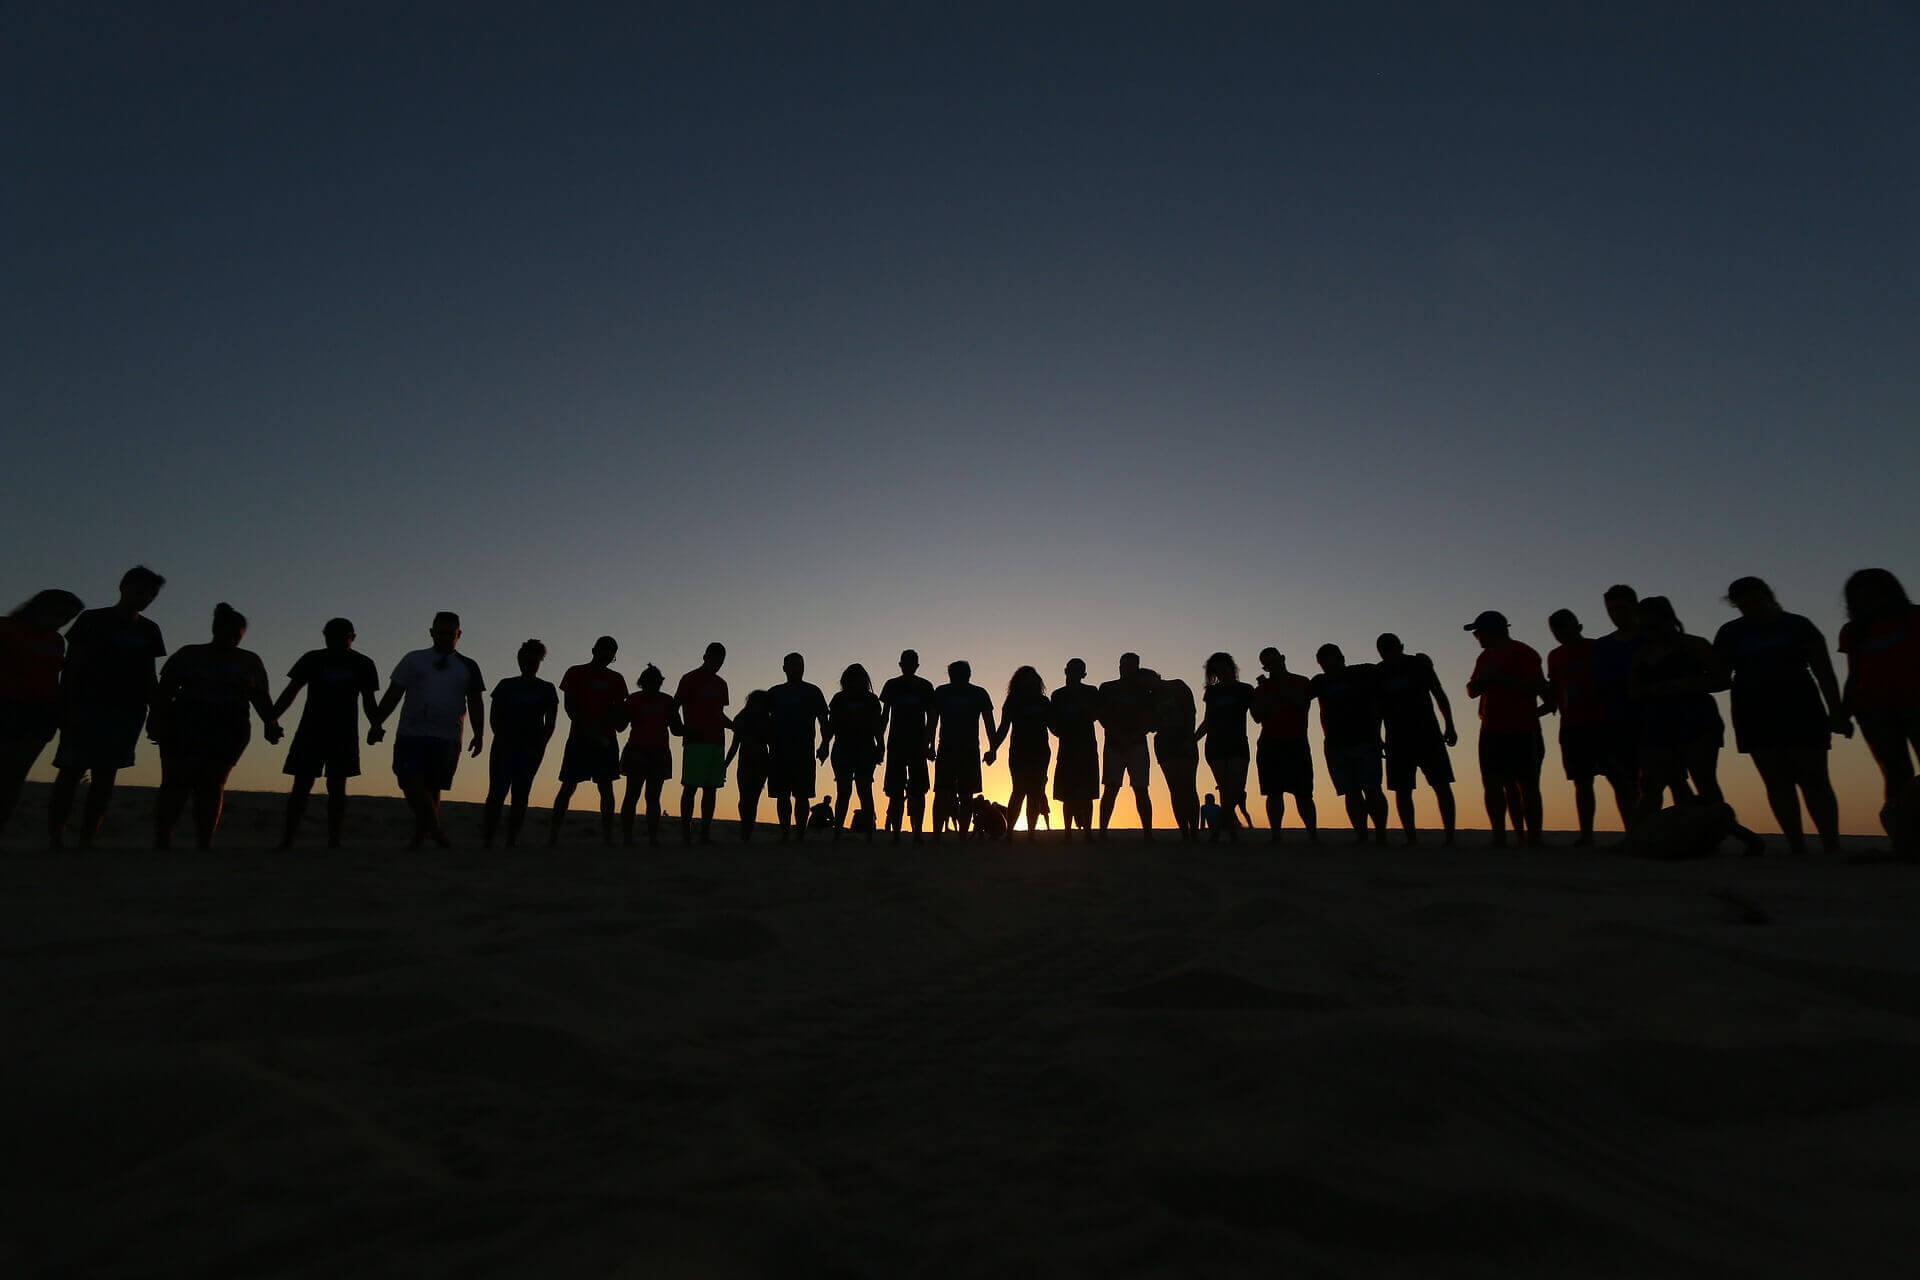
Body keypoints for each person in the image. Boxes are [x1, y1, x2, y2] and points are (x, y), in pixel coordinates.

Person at [1714, 578, 1848, 858]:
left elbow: (1823, 669)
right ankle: (1796, 845)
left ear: (1768, 596)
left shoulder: (1798, 625)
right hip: (1753, 709)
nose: (1750, 606)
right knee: (1776, 780)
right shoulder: (1730, 632)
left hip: (1800, 704)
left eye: (1754, 599)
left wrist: (1836, 711)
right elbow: (1720, 676)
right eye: (1743, 603)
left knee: (1814, 778)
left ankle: (1831, 844)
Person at [1630, 596, 1763, 856]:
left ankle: (1726, 836)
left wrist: (1683, 685)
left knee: (1704, 781)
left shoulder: (1694, 645)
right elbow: (1633, 691)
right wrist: (1656, 690)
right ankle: (1637, 839)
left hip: (1696, 718)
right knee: (1654, 783)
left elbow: (1722, 679)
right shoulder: (1642, 654)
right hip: (1657, 720)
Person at [48, 566, 166, 849]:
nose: (145, 597)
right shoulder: (93, 620)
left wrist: (156, 712)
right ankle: (55, 837)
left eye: (151, 593)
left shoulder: (149, 630)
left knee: (106, 774)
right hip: (86, 706)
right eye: (140, 590)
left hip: (127, 711)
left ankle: (87, 838)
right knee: (71, 771)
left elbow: (149, 674)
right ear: (123, 587)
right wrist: (65, 705)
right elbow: (72, 666)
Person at [150, 603, 282, 849]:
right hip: (184, 724)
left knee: (211, 784)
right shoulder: (189, 654)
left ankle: (204, 841)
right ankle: (163, 839)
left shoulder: (249, 661)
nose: (231, 639)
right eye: (227, 633)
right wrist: (156, 719)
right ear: (214, 629)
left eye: (236, 636)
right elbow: (165, 690)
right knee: (175, 782)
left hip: (229, 728)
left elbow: (260, 696)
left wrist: (271, 723)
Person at [370, 611, 485, 849]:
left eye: (450, 633)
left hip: (447, 736)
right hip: (412, 733)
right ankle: (436, 830)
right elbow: (394, 693)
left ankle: (421, 836)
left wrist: (479, 733)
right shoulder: (414, 660)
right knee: (408, 779)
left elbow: (475, 702)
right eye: (440, 632)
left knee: (433, 786)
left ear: (458, 634)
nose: (444, 637)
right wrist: (377, 721)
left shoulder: (468, 666)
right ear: (432, 632)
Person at [271, 618, 381, 849]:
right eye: (330, 637)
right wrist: (272, 718)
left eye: (341, 637)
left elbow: (369, 701)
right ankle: (288, 838)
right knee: (301, 785)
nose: (335, 642)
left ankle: (334, 839)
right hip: (311, 729)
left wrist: (375, 725)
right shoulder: (313, 659)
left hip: (343, 732)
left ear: (352, 638)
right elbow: (291, 691)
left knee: (337, 786)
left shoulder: (362, 664)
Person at [1838, 568, 1920, 837]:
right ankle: (1903, 835)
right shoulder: (1854, 631)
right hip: (1873, 710)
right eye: (1860, 595)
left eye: (1874, 592)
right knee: (1895, 772)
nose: (1868, 599)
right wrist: (1843, 712)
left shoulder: (1915, 617)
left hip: (1916, 703)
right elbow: (1855, 674)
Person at [0, 589, 84, 835]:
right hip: (6, 707)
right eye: (58, 614)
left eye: (67, 618)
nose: (61, 621)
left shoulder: (55, 641)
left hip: (39, 713)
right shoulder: (5, 629)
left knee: (15, 776)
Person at [1463, 611, 1549, 848]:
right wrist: (1482, 682)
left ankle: (1533, 837)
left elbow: (1536, 687)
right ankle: (1499, 835)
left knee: (1527, 784)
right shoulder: (1485, 657)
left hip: (1522, 729)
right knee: (1493, 783)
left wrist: (1503, 679)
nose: (1477, 637)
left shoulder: (1524, 653)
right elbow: (1471, 690)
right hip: (1491, 728)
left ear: (1491, 632)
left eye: (1478, 633)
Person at [1373, 634, 1459, 845]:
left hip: (1427, 733)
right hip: (1397, 737)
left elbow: (1439, 693)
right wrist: (1378, 736)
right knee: (1402, 789)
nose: (1387, 653)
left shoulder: (1419, 665)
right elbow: (1376, 708)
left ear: (1400, 647)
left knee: (1441, 784)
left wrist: (1449, 724)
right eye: (1383, 650)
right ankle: (1411, 837)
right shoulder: (1379, 672)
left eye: (1390, 648)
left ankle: (1450, 836)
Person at [549, 636, 629, 847]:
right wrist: (588, 728)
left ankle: (607, 838)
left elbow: (620, 713)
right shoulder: (575, 672)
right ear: (594, 649)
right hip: (580, 738)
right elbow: (569, 707)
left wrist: (618, 721)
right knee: (568, 786)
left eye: (611, 652)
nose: (607, 654)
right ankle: (553, 836)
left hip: (606, 740)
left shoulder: (617, 679)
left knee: (606, 788)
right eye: (604, 650)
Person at [1542, 610, 1608, 846]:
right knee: (1582, 781)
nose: (1560, 634)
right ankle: (1587, 834)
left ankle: (1633, 828)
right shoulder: (1555, 656)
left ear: (1578, 626)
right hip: (1571, 725)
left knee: (1619, 777)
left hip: (1602, 722)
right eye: (1556, 630)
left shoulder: (1597, 648)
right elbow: (1554, 689)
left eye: (1564, 628)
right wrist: (1541, 708)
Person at [483, 640, 557, 847]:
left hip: (531, 748)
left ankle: (511, 839)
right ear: (519, 660)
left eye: (535, 660)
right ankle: (488, 838)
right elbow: (494, 717)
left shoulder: (546, 689)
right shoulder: (506, 685)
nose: (530, 664)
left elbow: (550, 723)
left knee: (521, 793)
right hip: (504, 746)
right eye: (527, 659)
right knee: (497, 792)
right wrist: (503, 739)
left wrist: (540, 745)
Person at [1310, 644, 1387, 843]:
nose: (1328, 667)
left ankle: (1380, 833)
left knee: (1372, 789)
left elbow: (1385, 668)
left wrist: (1418, 659)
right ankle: (1362, 835)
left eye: (1331, 661)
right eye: (1323, 663)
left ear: (1341, 658)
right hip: (1336, 744)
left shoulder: (1360, 672)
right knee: (1350, 792)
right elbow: (1299, 694)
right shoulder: (1320, 682)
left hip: (1364, 740)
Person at [1589, 584, 1646, 830]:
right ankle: (1633, 831)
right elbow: (1598, 685)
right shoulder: (1603, 646)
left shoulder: (1650, 639)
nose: (1615, 615)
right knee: (1621, 780)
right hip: (1614, 720)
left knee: (1663, 778)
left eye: (1620, 608)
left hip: (1652, 718)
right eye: (1611, 610)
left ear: (1635, 607)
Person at [1251, 648, 1317, 844]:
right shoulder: (1261, 689)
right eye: (1268, 663)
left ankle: (1313, 835)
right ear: (1265, 666)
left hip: (1296, 741)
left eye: (1275, 660)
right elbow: (1257, 716)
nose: (1273, 665)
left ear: (1282, 658)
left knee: (1304, 793)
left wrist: (1277, 689)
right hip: (1270, 742)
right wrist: (1270, 693)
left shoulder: (1301, 681)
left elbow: (1301, 703)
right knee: (1273, 793)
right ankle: (1276, 836)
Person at [928, 659, 997, 840]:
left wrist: (993, 748)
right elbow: (933, 721)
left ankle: (961, 835)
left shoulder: (979, 693)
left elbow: (989, 723)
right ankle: (938, 834)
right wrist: (930, 745)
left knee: (964, 794)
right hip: (949, 748)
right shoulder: (942, 692)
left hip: (968, 750)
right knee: (943, 792)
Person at [766, 653, 829, 842]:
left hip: (804, 751)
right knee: (782, 795)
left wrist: (825, 744)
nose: (796, 669)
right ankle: (785, 833)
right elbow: (762, 718)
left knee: (802, 795)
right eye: (792, 665)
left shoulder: (813, 691)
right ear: (784, 668)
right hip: (779, 751)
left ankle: (800, 834)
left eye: (799, 665)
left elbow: (823, 720)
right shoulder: (775, 692)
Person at [673, 642, 731, 845]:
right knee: (690, 787)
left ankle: (704, 833)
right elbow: (675, 706)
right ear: (705, 656)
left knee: (711, 788)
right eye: (714, 658)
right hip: (695, 742)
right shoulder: (689, 679)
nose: (717, 663)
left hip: (716, 742)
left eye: (721, 660)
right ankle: (685, 834)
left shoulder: (721, 684)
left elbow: (719, 713)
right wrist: (679, 728)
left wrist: (733, 726)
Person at [1194, 652, 1255, 843]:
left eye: (1224, 667)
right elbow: (1208, 720)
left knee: (1236, 788)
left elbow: (1257, 714)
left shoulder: (1245, 689)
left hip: (1237, 742)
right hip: (1215, 744)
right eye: (1217, 669)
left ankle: (1219, 829)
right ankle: (1231, 832)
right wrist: (1193, 739)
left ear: (1231, 667)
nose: (1221, 672)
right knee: (1225, 789)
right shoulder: (1212, 692)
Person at [987, 664, 1052, 840]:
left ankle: (1031, 832)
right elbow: (1004, 728)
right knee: (1018, 791)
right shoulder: (1013, 702)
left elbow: (1053, 725)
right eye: (1025, 680)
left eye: (1032, 679)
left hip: (1040, 753)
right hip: (1019, 753)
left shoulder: (1043, 702)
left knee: (1036, 792)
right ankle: (1009, 833)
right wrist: (993, 749)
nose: (1029, 683)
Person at [618, 664, 680, 847]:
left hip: (658, 753)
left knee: (651, 797)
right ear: (642, 683)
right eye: (650, 682)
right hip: (637, 751)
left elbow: (676, 728)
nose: (653, 685)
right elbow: (620, 725)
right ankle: (628, 838)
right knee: (633, 795)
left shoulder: (667, 701)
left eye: (656, 682)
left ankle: (652, 838)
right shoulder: (633, 700)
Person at [877, 650, 935, 842]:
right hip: (896, 745)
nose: (908, 667)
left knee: (918, 791)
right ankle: (896, 834)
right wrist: (880, 743)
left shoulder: (926, 686)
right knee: (894, 791)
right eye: (905, 663)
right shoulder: (892, 685)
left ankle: (917, 833)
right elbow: (884, 716)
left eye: (912, 663)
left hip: (917, 746)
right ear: (900, 665)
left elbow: (932, 718)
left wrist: (929, 744)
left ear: (916, 665)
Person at [1097, 653, 1157, 837]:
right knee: (1111, 788)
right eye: (1124, 665)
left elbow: (1150, 719)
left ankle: (1147, 832)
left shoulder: (1144, 692)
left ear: (1137, 668)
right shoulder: (1107, 688)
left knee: (1141, 789)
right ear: (1119, 667)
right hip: (1114, 745)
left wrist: (1134, 736)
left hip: (1137, 745)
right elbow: (1102, 715)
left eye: (1131, 666)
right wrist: (1118, 735)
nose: (1127, 669)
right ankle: (1103, 832)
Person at [822, 663, 883, 842]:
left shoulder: (871, 700)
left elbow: (876, 726)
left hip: (865, 748)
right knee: (843, 791)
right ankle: (838, 830)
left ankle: (869, 832)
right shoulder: (839, 699)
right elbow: (831, 725)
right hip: (843, 748)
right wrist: (824, 744)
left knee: (864, 790)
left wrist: (880, 746)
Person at [1149, 669, 1202, 839]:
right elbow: (1151, 724)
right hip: (1164, 742)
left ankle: (1194, 830)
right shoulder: (1150, 697)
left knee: (1188, 786)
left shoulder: (1177, 685)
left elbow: (1191, 712)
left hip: (1183, 737)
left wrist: (1189, 738)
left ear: (1154, 677)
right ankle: (1184, 832)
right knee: (1175, 788)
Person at [1050, 658, 1100, 838]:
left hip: (1086, 748)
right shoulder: (1057, 695)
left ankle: (1088, 831)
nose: (1074, 674)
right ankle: (1068, 832)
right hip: (1067, 748)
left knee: (1087, 793)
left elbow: (1096, 714)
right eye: (1072, 670)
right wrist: (1060, 733)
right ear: (1066, 671)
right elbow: (1052, 721)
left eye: (1079, 671)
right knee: (1067, 793)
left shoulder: (1091, 692)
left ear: (1084, 674)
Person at [723, 689, 772, 841]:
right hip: (745, 762)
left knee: (753, 798)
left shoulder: (767, 719)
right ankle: (746, 827)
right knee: (745, 798)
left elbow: (772, 744)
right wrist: (725, 765)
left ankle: (747, 831)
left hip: (761, 763)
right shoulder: (742, 718)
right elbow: (735, 744)